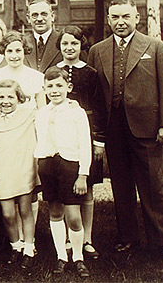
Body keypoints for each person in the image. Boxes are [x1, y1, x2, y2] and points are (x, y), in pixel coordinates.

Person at [88, 0, 163, 263]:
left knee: (154, 186)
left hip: (147, 128)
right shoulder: (97, 50)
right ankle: (128, 237)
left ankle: (162, 242)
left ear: (137, 18)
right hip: (113, 128)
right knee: (121, 186)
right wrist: (96, 132)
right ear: (109, 19)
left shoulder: (154, 46)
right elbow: (93, 95)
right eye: (115, 17)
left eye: (126, 16)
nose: (120, 22)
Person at [34, 67, 91, 278]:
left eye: (59, 86)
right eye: (50, 86)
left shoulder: (77, 112)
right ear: (44, 89)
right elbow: (39, 140)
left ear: (69, 87)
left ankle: (78, 257)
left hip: (70, 166)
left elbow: (85, 145)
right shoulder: (41, 113)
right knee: (55, 212)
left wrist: (83, 174)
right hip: (48, 165)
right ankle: (61, 256)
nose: (54, 90)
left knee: (74, 216)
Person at [55, 25, 103, 260]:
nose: (69, 47)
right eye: (65, 43)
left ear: (81, 45)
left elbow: (100, 107)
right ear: (60, 46)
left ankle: (87, 239)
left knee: (86, 188)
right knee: (66, 185)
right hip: (61, 137)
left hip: (86, 134)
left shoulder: (91, 73)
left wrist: (99, 142)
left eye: (74, 43)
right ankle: (67, 235)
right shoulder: (54, 72)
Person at [0, 79, 39, 270]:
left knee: (25, 210)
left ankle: (29, 249)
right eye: (1, 97)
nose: (5, 101)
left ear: (19, 98)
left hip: (24, 168)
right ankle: (16, 246)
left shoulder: (29, 115)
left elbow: (47, 112)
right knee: (7, 214)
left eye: (10, 97)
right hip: (4, 169)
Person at [0, 30, 46, 111]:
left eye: (18, 51)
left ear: (24, 51)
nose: (14, 56)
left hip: (30, 122)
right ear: (4, 52)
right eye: (9, 51)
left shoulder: (36, 77)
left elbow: (42, 110)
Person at [24, 0, 62, 72]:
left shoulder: (63, 41)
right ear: (28, 18)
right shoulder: (23, 43)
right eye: (35, 15)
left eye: (44, 14)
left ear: (52, 16)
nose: (39, 19)